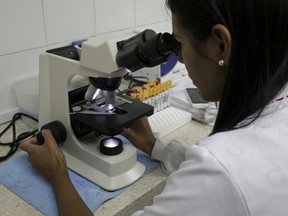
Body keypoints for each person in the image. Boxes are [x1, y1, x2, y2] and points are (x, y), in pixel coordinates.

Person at [20, 0, 288, 215]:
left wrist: (58, 174)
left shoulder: (218, 170)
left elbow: (220, 177)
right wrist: (153, 146)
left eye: (179, 44)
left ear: (221, 45)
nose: (180, 59)